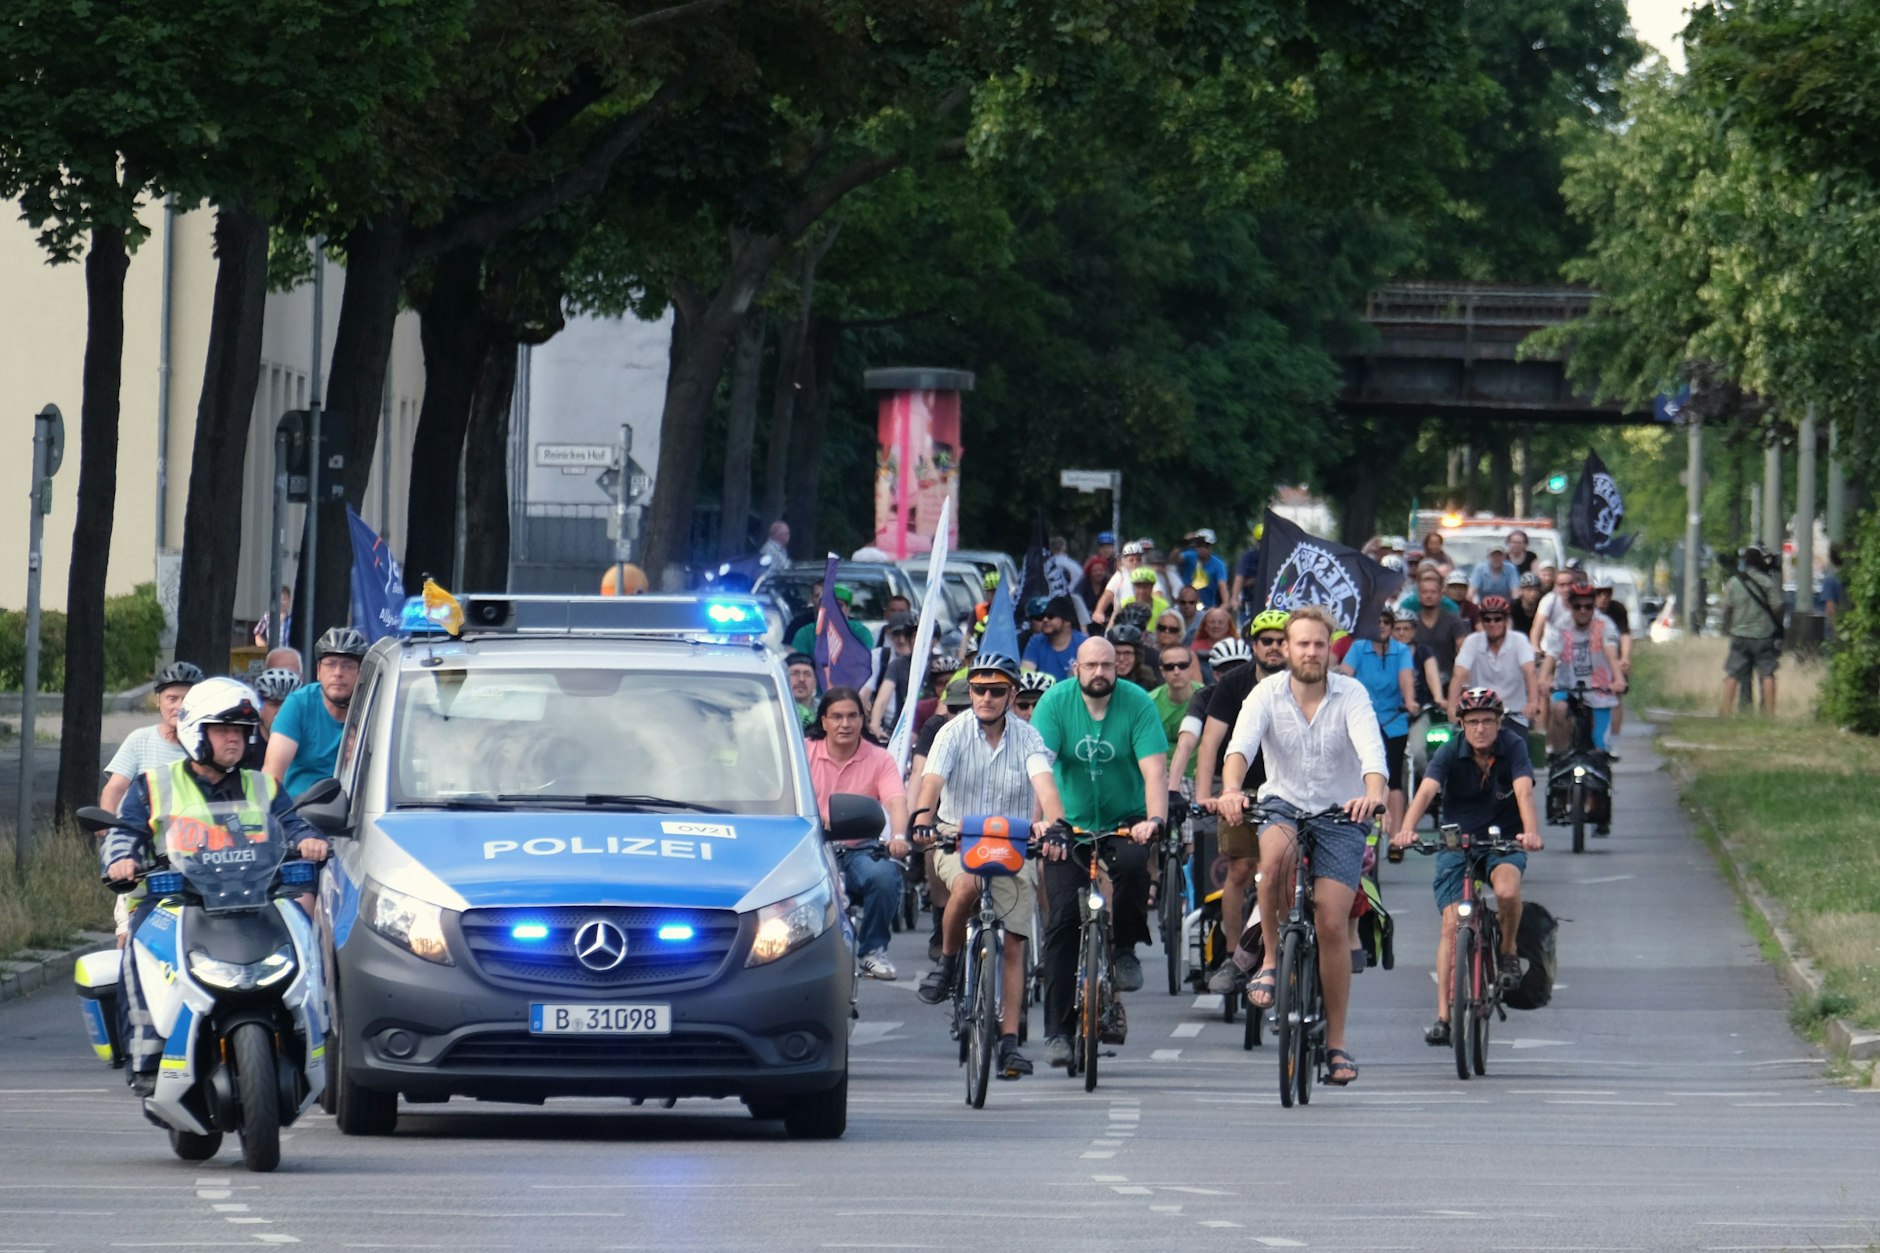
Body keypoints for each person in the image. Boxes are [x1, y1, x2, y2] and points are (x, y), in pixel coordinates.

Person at [103, 678, 329, 1095]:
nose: (235, 740)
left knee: (307, 939)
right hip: (175, 902)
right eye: (224, 730)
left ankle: (313, 1037)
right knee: (137, 949)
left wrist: (309, 841)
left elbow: (293, 824)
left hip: (255, 899)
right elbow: (125, 830)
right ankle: (146, 1055)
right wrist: (121, 859)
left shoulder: (263, 786)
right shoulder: (154, 785)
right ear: (196, 731)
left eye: (242, 731)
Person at [1213, 605, 1388, 1087]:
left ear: (1330, 648)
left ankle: (1336, 1043)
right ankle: (1270, 961)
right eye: (1302, 643)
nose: (1311, 652)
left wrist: (1373, 793)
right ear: (1285, 649)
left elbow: (1372, 751)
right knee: (1273, 862)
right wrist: (1231, 790)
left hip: (1340, 814)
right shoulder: (1264, 693)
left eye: (1319, 643)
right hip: (1282, 806)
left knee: (1332, 921)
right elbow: (1239, 749)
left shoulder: (1351, 693)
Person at [911, 653, 1067, 1080]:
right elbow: (931, 784)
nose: (985, 697)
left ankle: (1010, 1042)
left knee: (1014, 942)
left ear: (1011, 694)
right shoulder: (951, 733)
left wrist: (1056, 825)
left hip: (1012, 843)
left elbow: (1045, 787)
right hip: (956, 836)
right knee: (965, 889)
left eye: (997, 690)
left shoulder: (1029, 738)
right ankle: (946, 964)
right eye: (978, 689)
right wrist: (923, 820)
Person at [1030, 637, 1169, 1067]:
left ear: (1117, 667)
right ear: (1076, 667)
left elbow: (1154, 770)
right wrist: (1044, 822)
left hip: (1124, 820)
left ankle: (1125, 947)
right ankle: (1057, 1033)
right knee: (1063, 923)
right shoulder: (1054, 702)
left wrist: (1154, 820)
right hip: (1066, 825)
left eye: (1106, 665)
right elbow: (1040, 765)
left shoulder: (1138, 703)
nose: (1099, 673)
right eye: (1090, 665)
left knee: (1132, 865)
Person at [1391, 686, 1543, 1047]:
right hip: (1456, 842)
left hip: (1503, 840)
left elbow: (1523, 791)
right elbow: (1426, 791)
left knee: (1506, 891)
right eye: (1472, 722)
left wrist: (1531, 832)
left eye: (1487, 721)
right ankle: (1444, 1017)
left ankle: (1506, 953)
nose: (1480, 729)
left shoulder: (1514, 746)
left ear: (1499, 722)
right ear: (1461, 724)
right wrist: (1407, 829)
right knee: (1450, 926)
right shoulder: (1448, 751)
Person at [1190, 609, 1291, 994]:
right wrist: (1206, 794)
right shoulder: (1234, 683)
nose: (1275, 647)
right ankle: (1235, 956)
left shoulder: (1305, 681)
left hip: (1290, 791)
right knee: (1240, 870)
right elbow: (1211, 741)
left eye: (1283, 639)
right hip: (1244, 791)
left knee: (1290, 872)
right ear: (1255, 646)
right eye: (1267, 640)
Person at [805, 686, 909, 980]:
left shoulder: (879, 759)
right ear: (823, 721)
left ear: (863, 720)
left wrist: (899, 836)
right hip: (811, 848)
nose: (845, 724)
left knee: (885, 877)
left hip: (860, 849)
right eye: (836, 717)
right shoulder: (802, 752)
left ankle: (873, 952)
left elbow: (896, 801)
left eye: (852, 716)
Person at [264, 626, 369, 799]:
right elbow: (272, 773)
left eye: (347, 666)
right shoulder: (298, 704)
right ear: (318, 671)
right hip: (300, 811)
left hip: (355, 811)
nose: (338, 673)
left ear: (360, 672)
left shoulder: (371, 704)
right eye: (330, 664)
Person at [1342, 606, 1417, 836]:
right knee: (1358, 774)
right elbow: (1344, 674)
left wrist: (1410, 700)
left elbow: (1405, 678)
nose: (1382, 626)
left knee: (1393, 778)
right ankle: (1356, 829)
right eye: (1378, 621)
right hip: (1362, 720)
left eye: (1387, 621)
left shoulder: (1401, 650)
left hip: (1393, 719)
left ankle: (1396, 837)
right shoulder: (1358, 648)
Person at [1540, 580, 1627, 765]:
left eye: (1588, 606)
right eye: (1577, 606)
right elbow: (1552, 654)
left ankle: (1602, 786)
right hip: (1567, 684)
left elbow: (1611, 652)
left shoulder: (1604, 624)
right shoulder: (1561, 625)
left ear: (1593, 605)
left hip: (1598, 688)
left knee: (1599, 749)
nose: (1583, 611)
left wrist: (1618, 679)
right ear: (1570, 606)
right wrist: (1543, 679)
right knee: (1559, 710)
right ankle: (1560, 764)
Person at [99, 661, 204, 814]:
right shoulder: (140, 740)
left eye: (187, 699)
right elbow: (115, 788)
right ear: (158, 700)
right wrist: (107, 825)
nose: (180, 707)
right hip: (145, 832)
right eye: (172, 699)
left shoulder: (209, 744)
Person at [1450, 596, 1542, 730]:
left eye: (1497, 619)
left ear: (1506, 620)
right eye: (1487, 619)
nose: (1492, 624)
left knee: (1518, 747)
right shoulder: (1472, 641)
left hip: (1514, 714)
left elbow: (1530, 671)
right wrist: (1452, 706)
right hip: (1480, 714)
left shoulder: (1519, 640)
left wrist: (1533, 702)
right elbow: (1459, 674)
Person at [1720, 543, 1784, 717]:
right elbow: (1778, 606)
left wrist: (1728, 627)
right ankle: (1770, 714)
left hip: (1740, 634)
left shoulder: (1733, 582)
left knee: (1732, 673)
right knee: (1767, 673)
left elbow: (1726, 608)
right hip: (1764, 635)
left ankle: (1726, 712)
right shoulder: (1767, 582)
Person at [1411, 569, 1471, 696]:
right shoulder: (1412, 623)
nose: (1428, 596)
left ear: (1441, 595)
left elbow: (1464, 650)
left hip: (1448, 682)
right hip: (1418, 684)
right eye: (1424, 592)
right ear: (1418, 595)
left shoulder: (1453, 620)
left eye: (1433, 592)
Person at [1149, 644, 1201, 781]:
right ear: (1162, 671)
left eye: (1182, 665)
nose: (1176, 671)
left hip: (1200, 777)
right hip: (1161, 777)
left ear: (1191, 668)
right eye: (1169, 667)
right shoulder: (1149, 703)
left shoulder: (1208, 697)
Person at [1594, 576, 1634, 740]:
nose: (1603, 598)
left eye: (1607, 593)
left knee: (1615, 697)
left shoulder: (1617, 609)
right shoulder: (1586, 609)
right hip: (1594, 657)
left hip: (1613, 656)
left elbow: (1625, 635)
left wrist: (1624, 657)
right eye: (1599, 593)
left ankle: (1615, 738)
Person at [788, 583, 875, 656]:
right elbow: (798, 664)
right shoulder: (805, 634)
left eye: (839, 605)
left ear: (847, 609)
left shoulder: (860, 633)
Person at [1021, 595, 1088, 680]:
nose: (1045, 620)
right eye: (1043, 616)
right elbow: (1026, 676)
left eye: (1051, 616)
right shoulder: (1036, 641)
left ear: (1067, 621)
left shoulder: (1084, 644)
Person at [1090, 541, 1148, 627]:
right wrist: (1099, 611)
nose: (1135, 562)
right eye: (1131, 560)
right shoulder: (1120, 576)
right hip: (1121, 619)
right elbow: (1107, 595)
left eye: (1138, 559)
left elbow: (1158, 594)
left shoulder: (1149, 575)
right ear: (1124, 561)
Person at [1178, 529, 1230, 609]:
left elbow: (1222, 585)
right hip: (1186, 605)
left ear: (1211, 547)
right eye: (1199, 545)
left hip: (1207, 608)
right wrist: (1183, 543)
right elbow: (1173, 559)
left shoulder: (1218, 564)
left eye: (1206, 546)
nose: (1202, 549)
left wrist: (1222, 608)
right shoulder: (1188, 556)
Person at [1107, 622, 1158, 689]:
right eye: (1117, 653)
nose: (1121, 659)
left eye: (1127, 653)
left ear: (1137, 656)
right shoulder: (1102, 680)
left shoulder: (1147, 681)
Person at [1079, 532, 1116, 613]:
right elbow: (1083, 577)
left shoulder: (1116, 563)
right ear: (1098, 548)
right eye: (1103, 547)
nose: (1106, 550)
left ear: (1113, 548)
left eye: (1109, 547)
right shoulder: (1092, 561)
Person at [785, 652, 819, 732]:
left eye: (808, 674)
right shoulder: (771, 709)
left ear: (815, 682)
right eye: (794, 673)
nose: (801, 679)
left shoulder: (826, 710)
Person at [1046, 535, 1083, 600]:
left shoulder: (1045, 565)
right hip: (1071, 602)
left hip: (1048, 602)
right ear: (1064, 547)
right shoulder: (1074, 566)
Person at [1511, 571, 1544, 637]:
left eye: (1536, 590)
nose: (1533, 593)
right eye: (1529, 590)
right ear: (1521, 590)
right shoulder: (1513, 607)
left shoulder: (1543, 605)